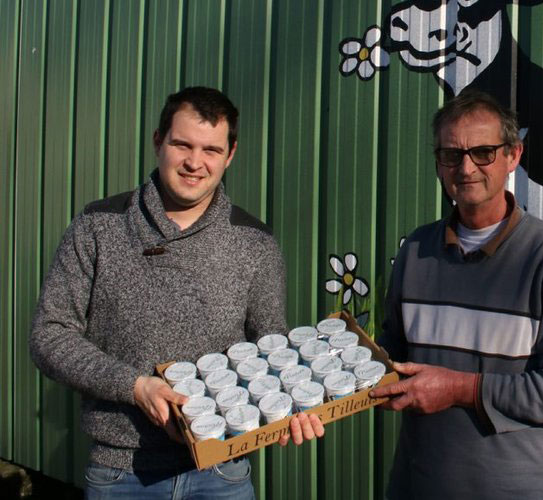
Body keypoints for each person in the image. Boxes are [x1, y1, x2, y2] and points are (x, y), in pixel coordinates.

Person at [30, 86, 323, 499]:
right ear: (157, 141)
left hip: (223, 471)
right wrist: (134, 386)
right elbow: (49, 335)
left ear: (230, 154)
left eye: (211, 150)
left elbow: (269, 347)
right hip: (122, 473)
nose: (194, 163)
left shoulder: (254, 242)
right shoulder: (99, 226)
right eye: (181, 144)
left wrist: (292, 407)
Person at [371, 89, 543, 499]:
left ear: (513, 156)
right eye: (451, 155)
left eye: (483, 152)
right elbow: (394, 355)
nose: (466, 167)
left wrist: (461, 388)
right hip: (419, 485)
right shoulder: (417, 251)